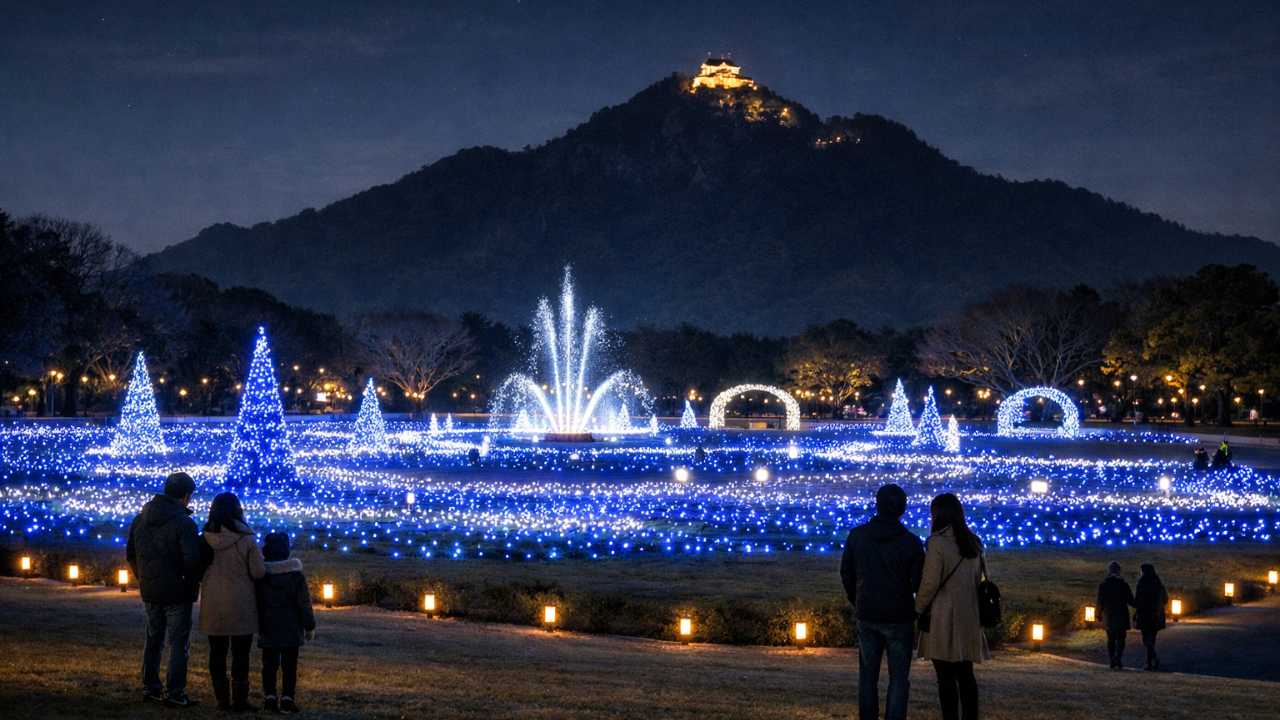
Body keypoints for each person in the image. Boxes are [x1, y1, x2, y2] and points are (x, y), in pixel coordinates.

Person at [840, 484, 925, 720]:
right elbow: (918, 582)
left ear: (877, 505)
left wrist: (857, 599)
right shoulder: (911, 542)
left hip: (867, 612)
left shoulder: (857, 536)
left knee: (867, 676)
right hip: (900, 615)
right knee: (899, 678)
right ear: (903, 509)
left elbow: (846, 572)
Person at [126, 471, 204, 708]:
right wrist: (190, 583)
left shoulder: (140, 519)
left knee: (153, 639)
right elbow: (192, 560)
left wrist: (144, 578)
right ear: (186, 496)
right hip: (177, 592)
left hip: (150, 590)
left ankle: (150, 686)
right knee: (178, 643)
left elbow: (131, 555)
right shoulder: (184, 523)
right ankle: (175, 691)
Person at [915, 493, 989, 720]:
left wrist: (918, 608)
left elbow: (930, 583)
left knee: (945, 677)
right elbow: (981, 579)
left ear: (937, 515)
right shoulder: (973, 542)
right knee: (966, 674)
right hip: (970, 616)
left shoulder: (937, 543)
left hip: (942, 617)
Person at [199, 492, 266, 711]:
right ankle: (240, 699)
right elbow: (258, 572)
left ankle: (222, 699)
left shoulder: (205, 538)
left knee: (217, 653)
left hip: (213, 603)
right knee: (241, 654)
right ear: (238, 510)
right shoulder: (246, 538)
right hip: (241, 603)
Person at [257, 532, 316, 714]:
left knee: (269, 665)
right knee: (290, 666)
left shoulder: (262, 575)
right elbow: (304, 603)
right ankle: (287, 698)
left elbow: (257, 602)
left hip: (268, 626)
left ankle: (270, 697)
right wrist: (309, 625)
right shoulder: (296, 575)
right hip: (291, 628)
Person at [1096, 561, 1135, 669]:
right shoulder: (1124, 585)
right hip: (1121, 613)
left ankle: (1112, 659)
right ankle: (1118, 658)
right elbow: (1131, 601)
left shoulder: (1103, 585)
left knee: (1111, 638)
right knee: (1121, 638)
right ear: (1119, 571)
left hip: (1109, 614)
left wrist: (1098, 613)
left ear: (1109, 571)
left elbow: (1100, 601)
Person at [1132, 563, 1168, 670]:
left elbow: (1137, 600)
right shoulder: (1158, 583)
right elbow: (1165, 599)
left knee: (1146, 639)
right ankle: (1151, 661)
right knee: (1152, 638)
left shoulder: (1141, 583)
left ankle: (1151, 661)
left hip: (1144, 615)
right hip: (1156, 615)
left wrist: (1136, 612)